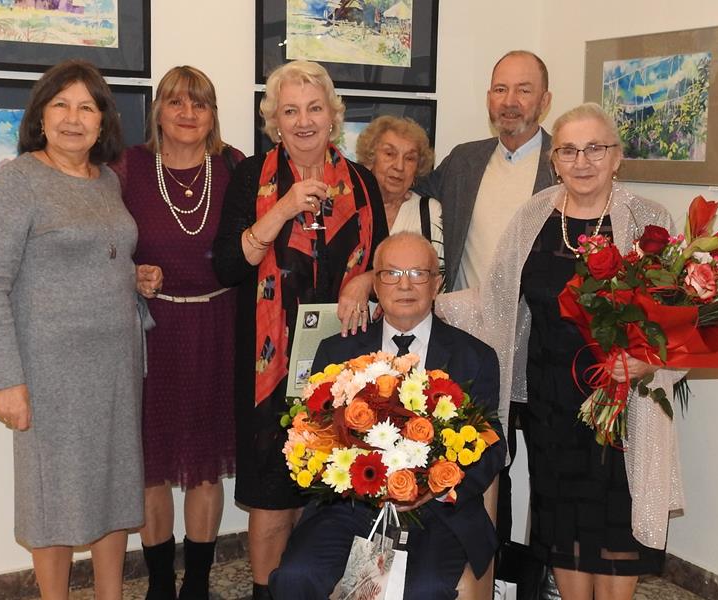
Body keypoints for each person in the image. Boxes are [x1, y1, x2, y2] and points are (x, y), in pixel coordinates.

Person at [437, 103, 685, 600]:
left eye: (595, 148)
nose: (582, 161)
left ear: (617, 157)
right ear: (555, 160)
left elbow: (676, 318)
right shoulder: (533, 216)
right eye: (569, 150)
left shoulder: (648, 220)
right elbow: (494, 299)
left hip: (623, 405)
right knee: (563, 524)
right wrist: (423, 301)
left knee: (617, 523)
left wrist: (650, 361)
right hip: (552, 404)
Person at [0, 59, 161, 600]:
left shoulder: (107, 181)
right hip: (49, 375)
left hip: (115, 369)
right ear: (41, 116)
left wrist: (134, 275)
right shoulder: (20, 179)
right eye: (61, 105)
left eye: (86, 107)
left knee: (113, 490)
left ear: (103, 122)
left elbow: (94, 255)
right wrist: (8, 382)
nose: (73, 118)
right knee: (50, 501)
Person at [212, 60, 387, 600]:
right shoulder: (251, 177)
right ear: (275, 121)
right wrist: (283, 208)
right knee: (272, 498)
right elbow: (227, 265)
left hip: (345, 367)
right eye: (290, 111)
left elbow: (383, 261)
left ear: (333, 116)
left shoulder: (362, 182)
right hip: (270, 368)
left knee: (335, 489)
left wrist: (365, 281)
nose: (304, 121)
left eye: (314, 108)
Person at [268, 232, 505, 599]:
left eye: (418, 274)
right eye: (392, 274)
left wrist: (435, 488)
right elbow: (314, 433)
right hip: (348, 508)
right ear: (375, 285)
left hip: (437, 514)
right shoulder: (337, 351)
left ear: (436, 284)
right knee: (296, 577)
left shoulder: (474, 357)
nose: (405, 285)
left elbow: (491, 446)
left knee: (421, 590)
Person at [414, 49, 556, 585]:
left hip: (539, 345)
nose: (510, 102)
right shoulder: (464, 160)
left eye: (523, 90)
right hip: (468, 345)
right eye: (500, 89)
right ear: (488, 99)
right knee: (483, 465)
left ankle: (537, 581)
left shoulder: (563, 163)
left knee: (544, 467)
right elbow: (405, 197)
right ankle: (487, 579)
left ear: (545, 100)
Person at [111, 65, 244, 599]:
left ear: (213, 115)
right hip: (152, 331)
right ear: (158, 112)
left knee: (206, 467)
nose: (188, 113)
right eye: (176, 102)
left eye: (200, 103)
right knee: (153, 467)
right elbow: (103, 244)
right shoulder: (127, 167)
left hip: (219, 328)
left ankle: (199, 584)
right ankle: (161, 583)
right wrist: (130, 273)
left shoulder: (234, 166)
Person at [355, 115, 442, 264]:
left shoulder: (430, 212)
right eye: (390, 154)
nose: (399, 166)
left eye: (410, 158)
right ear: (370, 159)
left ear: (417, 168)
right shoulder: (349, 207)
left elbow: (438, 274)